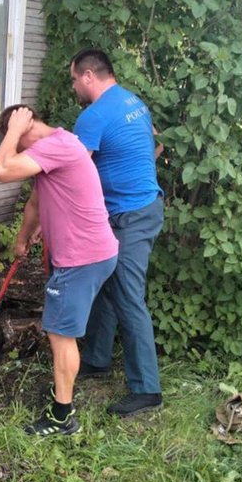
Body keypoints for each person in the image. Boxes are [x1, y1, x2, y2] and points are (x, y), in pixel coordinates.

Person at [0, 105, 118, 435]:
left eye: (15, 140)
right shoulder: (58, 144)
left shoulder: (54, 145)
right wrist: (24, 238)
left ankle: (62, 416)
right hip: (93, 252)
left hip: (81, 258)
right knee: (62, 329)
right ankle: (63, 395)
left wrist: (12, 131)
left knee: (60, 334)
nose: (16, 149)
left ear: (23, 130)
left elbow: (2, 170)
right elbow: (36, 201)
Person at [69, 48, 166, 418]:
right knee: (109, 284)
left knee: (127, 294)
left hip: (130, 216)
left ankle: (147, 389)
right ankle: (95, 358)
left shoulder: (93, 117)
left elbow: (72, 174)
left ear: (89, 76)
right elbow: (157, 142)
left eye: (75, 79)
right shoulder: (133, 101)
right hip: (143, 207)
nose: (74, 86)